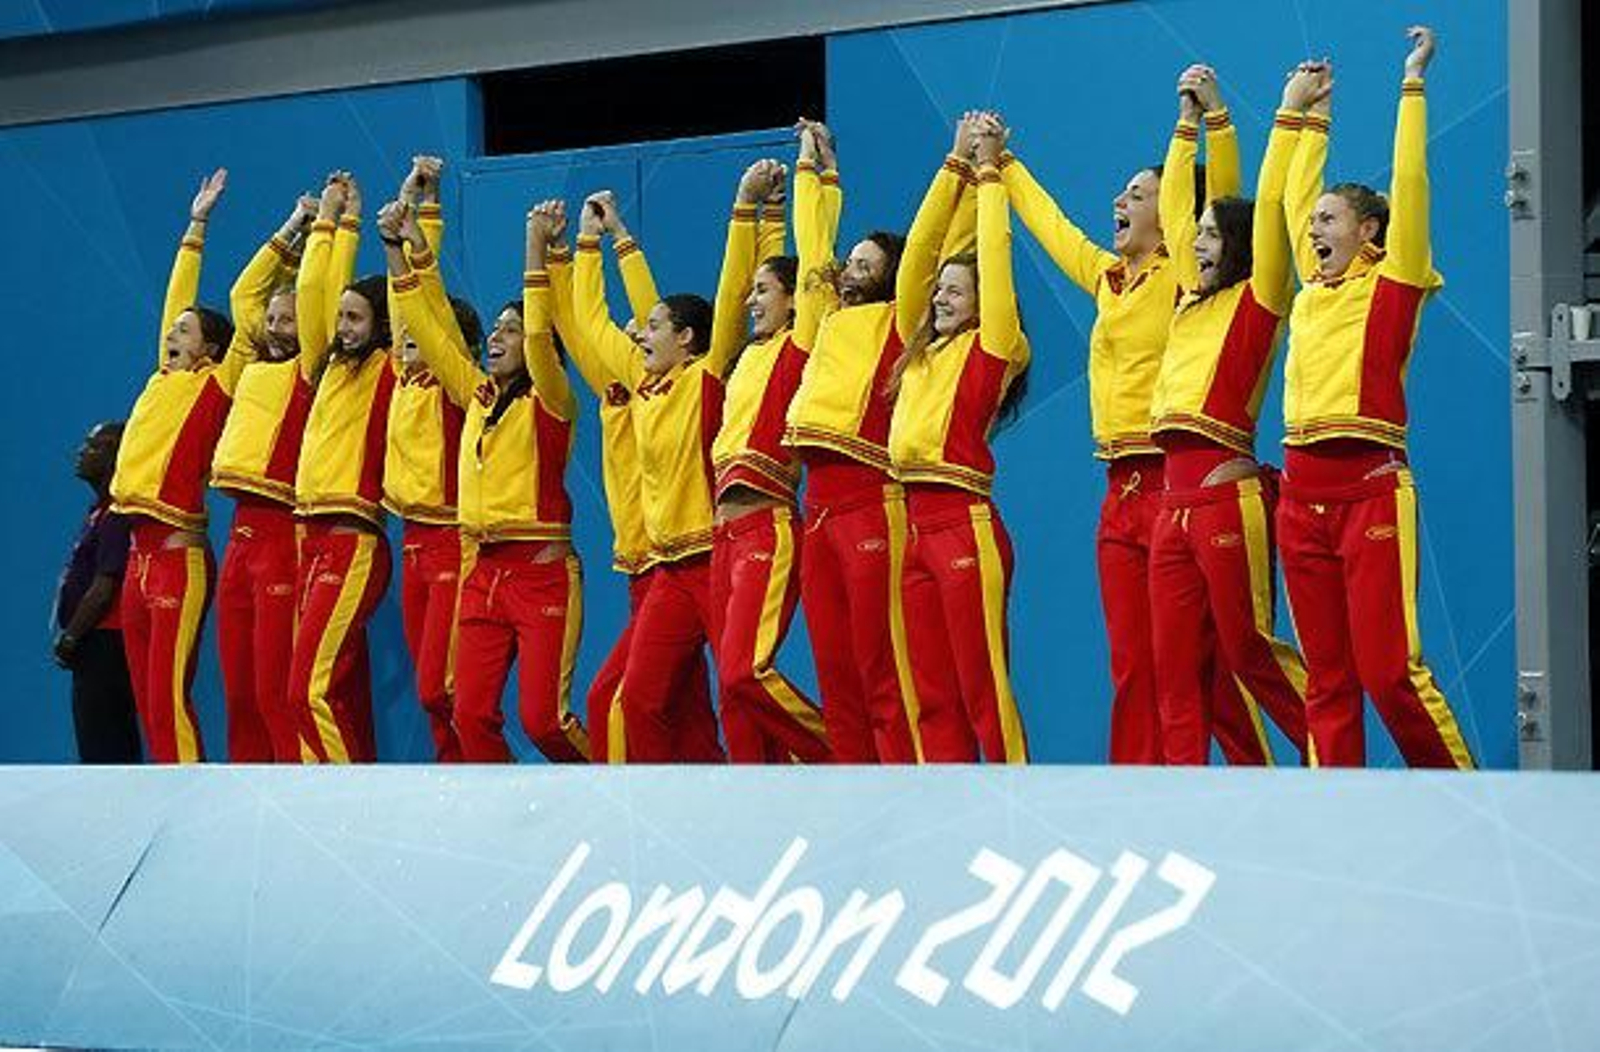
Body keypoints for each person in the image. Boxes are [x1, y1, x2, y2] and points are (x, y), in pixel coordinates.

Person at [999, 87, 1275, 764]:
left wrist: (1208, 122)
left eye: (1136, 194)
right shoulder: (1107, 279)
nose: (1120, 204)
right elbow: (1053, 226)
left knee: (1201, 665)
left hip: (1176, 480)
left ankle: (1256, 779)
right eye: (1121, 194)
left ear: (1173, 213)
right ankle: (1139, 792)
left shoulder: (1186, 275)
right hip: (1117, 491)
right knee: (1134, 664)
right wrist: (1002, 167)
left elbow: (1226, 202)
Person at [1276, 27, 1473, 768]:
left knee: (1391, 676)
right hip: (1299, 497)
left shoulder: (1395, 282)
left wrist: (1412, 85)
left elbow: (1410, 181)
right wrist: (1306, 115)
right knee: (1327, 682)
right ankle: (1341, 826)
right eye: (1316, 221)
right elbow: (1294, 194)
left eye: (1330, 220)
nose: (1314, 229)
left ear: (1370, 230)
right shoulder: (1312, 290)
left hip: (1370, 492)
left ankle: (1470, 809)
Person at [784, 117, 972, 763]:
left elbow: (923, 249)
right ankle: (855, 795)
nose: (851, 270)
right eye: (852, 261)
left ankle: (906, 788)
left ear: (891, 278)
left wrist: (959, 169)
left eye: (866, 264)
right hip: (818, 511)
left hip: (872, 502)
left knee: (881, 668)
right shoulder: (825, 317)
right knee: (836, 674)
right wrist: (815, 168)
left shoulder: (898, 323)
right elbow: (812, 251)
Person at [382, 194, 590, 763]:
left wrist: (535, 246)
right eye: (496, 329)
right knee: (469, 715)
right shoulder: (475, 393)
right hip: (484, 573)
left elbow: (545, 337)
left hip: (542, 576)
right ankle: (509, 821)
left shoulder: (552, 400)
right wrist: (398, 251)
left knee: (544, 722)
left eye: (512, 330)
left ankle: (608, 791)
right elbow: (429, 327)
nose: (498, 336)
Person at [1147, 65, 1314, 764]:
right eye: (1199, 235)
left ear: (1239, 245)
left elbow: (1262, 204)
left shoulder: (1259, 299)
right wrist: (1185, 123)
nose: (1199, 242)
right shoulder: (1188, 299)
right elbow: (1183, 214)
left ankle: (1329, 752)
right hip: (1168, 505)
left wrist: (1251, 116)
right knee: (1178, 672)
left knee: (1249, 650)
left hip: (1224, 497)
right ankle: (1196, 802)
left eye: (1215, 234)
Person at [544, 196, 723, 764]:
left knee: (737, 690)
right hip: (656, 567)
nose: (638, 336)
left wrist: (621, 236)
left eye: (649, 329)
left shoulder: (699, 380)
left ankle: (805, 782)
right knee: (656, 706)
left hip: (708, 560)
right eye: (638, 331)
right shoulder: (635, 385)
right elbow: (588, 321)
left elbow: (656, 310)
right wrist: (582, 246)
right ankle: (667, 818)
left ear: (686, 339)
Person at [109, 168, 276, 763]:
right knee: (146, 702)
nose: (172, 333)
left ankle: (184, 798)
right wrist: (196, 223)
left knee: (169, 696)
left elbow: (233, 310)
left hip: (179, 557)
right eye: (172, 331)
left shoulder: (215, 386)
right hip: (138, 559)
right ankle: (164, 796)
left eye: (184, 331)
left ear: (209, 349)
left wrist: (293, 243)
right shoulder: (163, 377)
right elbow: (177, 297)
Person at [887, 112, 1030, 762]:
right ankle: (946, 821)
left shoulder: (994, 346)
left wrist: (991, 175)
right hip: (912, 528)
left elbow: (994, 261)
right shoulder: (920, 352)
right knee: (932, 696)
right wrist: (953, 166)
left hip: (962, 525)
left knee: (981, 690)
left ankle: (1013, 806)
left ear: (983, 303)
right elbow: (916, 258)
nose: (940, 297)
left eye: (954, 291)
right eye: (939, 291)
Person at [705, 157, 830, 762]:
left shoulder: (797, 349)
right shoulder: (746, 356)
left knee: (742, 673)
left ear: (790, 302)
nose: (751, 301)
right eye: (752, 291)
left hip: (767, 526)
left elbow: (808, 277)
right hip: (722, 537)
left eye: (764, 292)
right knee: (732, 698)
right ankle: (759, 800)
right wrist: (763, 212)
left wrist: (803, 179)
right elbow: (741, 289)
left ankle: (839, 753)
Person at [209, 192, 327, 762]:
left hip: (284, 534)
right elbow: (242, 294)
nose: (278, 327)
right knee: (238, 693)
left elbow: (312, 299)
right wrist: (294, 223)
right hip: (239, 537)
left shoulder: (312, 372)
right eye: (273, 320)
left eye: (289, 320)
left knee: (274, 690)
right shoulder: (249, 364)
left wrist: (322, 227)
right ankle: (246, 799)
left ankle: (294, 799)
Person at [286, 174, 397, 764]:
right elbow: (312, 291)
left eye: (357, 319)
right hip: (311, 537)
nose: (344, 327)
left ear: (380, 326)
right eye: (343, 318)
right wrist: (333, 220)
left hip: (354, 542)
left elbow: (409, 310)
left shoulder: (387, 368)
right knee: (325, 689)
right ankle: (329, 790)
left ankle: (339, 805)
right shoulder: (327, 368)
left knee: (310, 689)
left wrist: (382, 230)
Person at [382, 157, 475, 762]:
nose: (406, 341)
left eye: (418, 339)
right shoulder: (401, 375)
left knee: (439, 685)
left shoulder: (451, 383)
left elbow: (427, 308)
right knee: (429, 692)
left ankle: (480, 776)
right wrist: (406, 212)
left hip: (448, 543)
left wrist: (423, 230)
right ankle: (454, 777)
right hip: (411, 544)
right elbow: (403, 299)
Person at [54, 422, 141, 764]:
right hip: (95, 645)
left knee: (105, 747)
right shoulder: (99, 512)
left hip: (106, 645)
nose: (81, 452)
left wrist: (72, 637)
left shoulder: (118, 514)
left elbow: (105, 585)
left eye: (92, 446)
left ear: (113, 458)